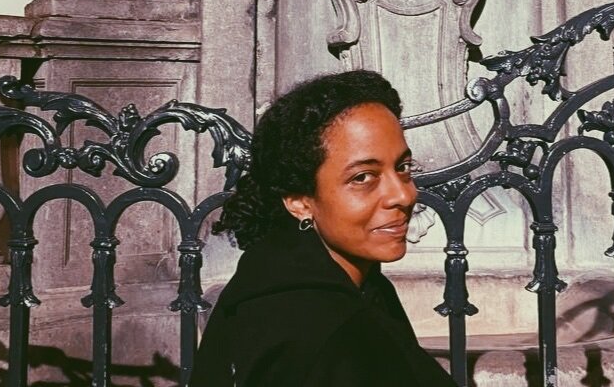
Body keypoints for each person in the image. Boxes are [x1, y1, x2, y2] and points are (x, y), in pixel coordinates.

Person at [190, 70, 455, 386]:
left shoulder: (296, 278)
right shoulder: (324, 333)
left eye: (403, 168)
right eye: (362, 178)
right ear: (299, 200)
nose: (404, 194)